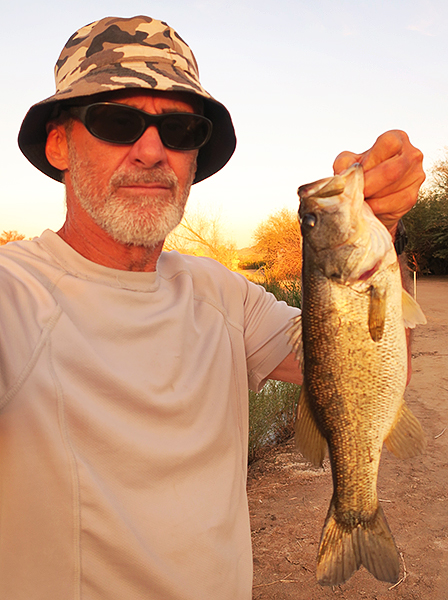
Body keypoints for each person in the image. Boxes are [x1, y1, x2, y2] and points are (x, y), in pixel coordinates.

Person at [2, 15, 424, 600]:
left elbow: (373, 366)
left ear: (194, 159)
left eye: (179, 131)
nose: (151, 150)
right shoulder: (13, 295)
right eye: (117, 121)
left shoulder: (224, 293)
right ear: (59, 144)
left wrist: (385, 230)